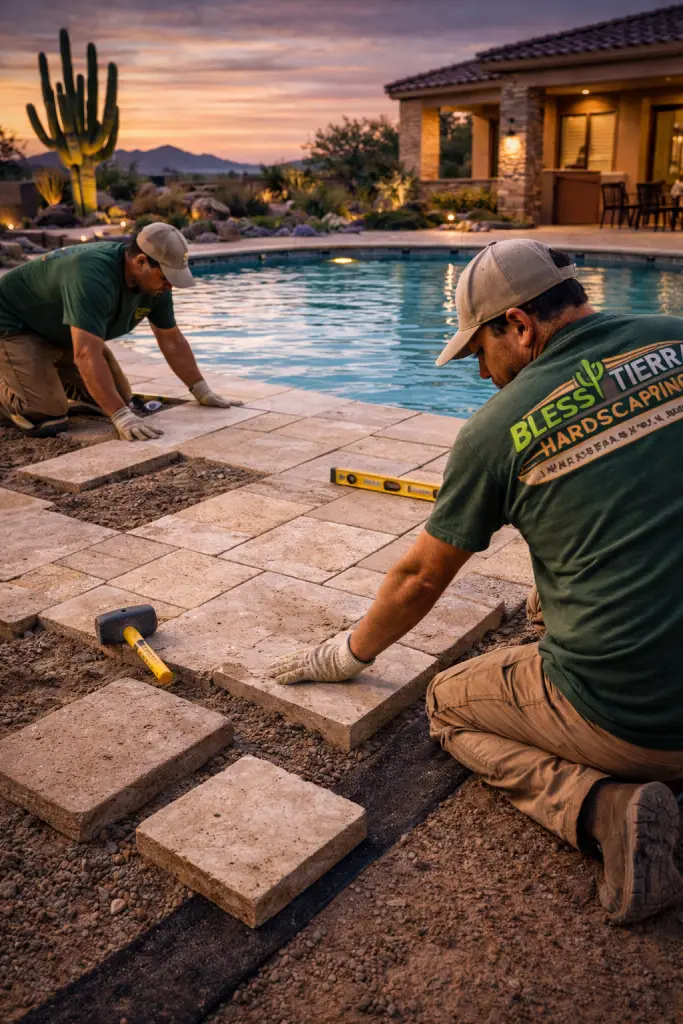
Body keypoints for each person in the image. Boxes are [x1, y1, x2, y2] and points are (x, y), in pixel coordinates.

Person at [270, 239, 683, 925]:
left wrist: (345, 655)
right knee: (546, 588)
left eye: (478, 353)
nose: (481, 375)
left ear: (517, 326)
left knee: (447, 703)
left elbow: (417, 579)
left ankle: (606, 812)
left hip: (639, 719)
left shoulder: (497, 429)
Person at [0, 222, 237, 439]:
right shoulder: (92, 277)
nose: (170, 284)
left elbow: (171, 339)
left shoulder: (156, 287)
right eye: (166, 276)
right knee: (47, 414)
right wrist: (121, 417)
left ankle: (35, 376)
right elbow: (85, 354)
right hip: (14, 326)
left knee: (120, 397)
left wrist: (201, 390)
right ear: (141, 261)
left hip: (57, 332)